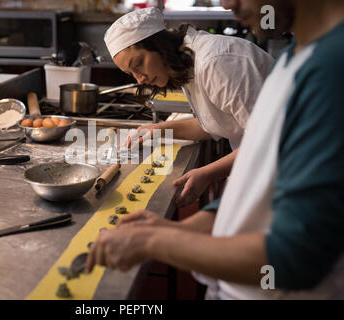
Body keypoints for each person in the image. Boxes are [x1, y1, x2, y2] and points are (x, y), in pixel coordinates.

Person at [87, 0, 344, 299]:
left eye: (139, 65)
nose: (226, 3)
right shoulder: (294, 58)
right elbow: (258, 164)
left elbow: (299, 255)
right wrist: (188, 227)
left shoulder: (328, 68)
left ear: (157, 44)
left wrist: (154, 242)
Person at [104, 7, 274, 207]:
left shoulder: (216, 62)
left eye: (139, 63)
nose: (139, 79)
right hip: (262, 168)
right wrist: (159, 130)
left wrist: (207, 174)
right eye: (131, 73)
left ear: (159, 45)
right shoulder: (189, 64)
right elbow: (218, 123)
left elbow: (267, 141)